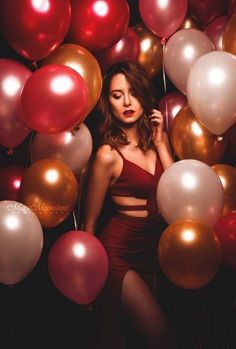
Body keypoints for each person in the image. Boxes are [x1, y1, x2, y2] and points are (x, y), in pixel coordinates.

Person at [84, 61, 176, 349]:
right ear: (108, 103)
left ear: (143, 97)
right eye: (116, 95)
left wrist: (162, 145)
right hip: (118, 253)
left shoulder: (157, 143)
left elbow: (176, 194)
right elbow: (89, 224)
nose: (126, 101)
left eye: (133, 92)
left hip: (151, 252)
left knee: (137, 340)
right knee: (161, 337)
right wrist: (86, 282)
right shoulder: (107, 155)